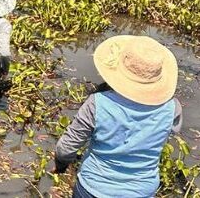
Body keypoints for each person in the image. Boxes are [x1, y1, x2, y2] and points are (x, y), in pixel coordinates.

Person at [54, 35, 182, 198]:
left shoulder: (97, 103)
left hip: (94, 189)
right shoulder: (173, 108)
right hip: (142, 192)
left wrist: (61, 166)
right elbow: (166, 134)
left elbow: (65, 149)